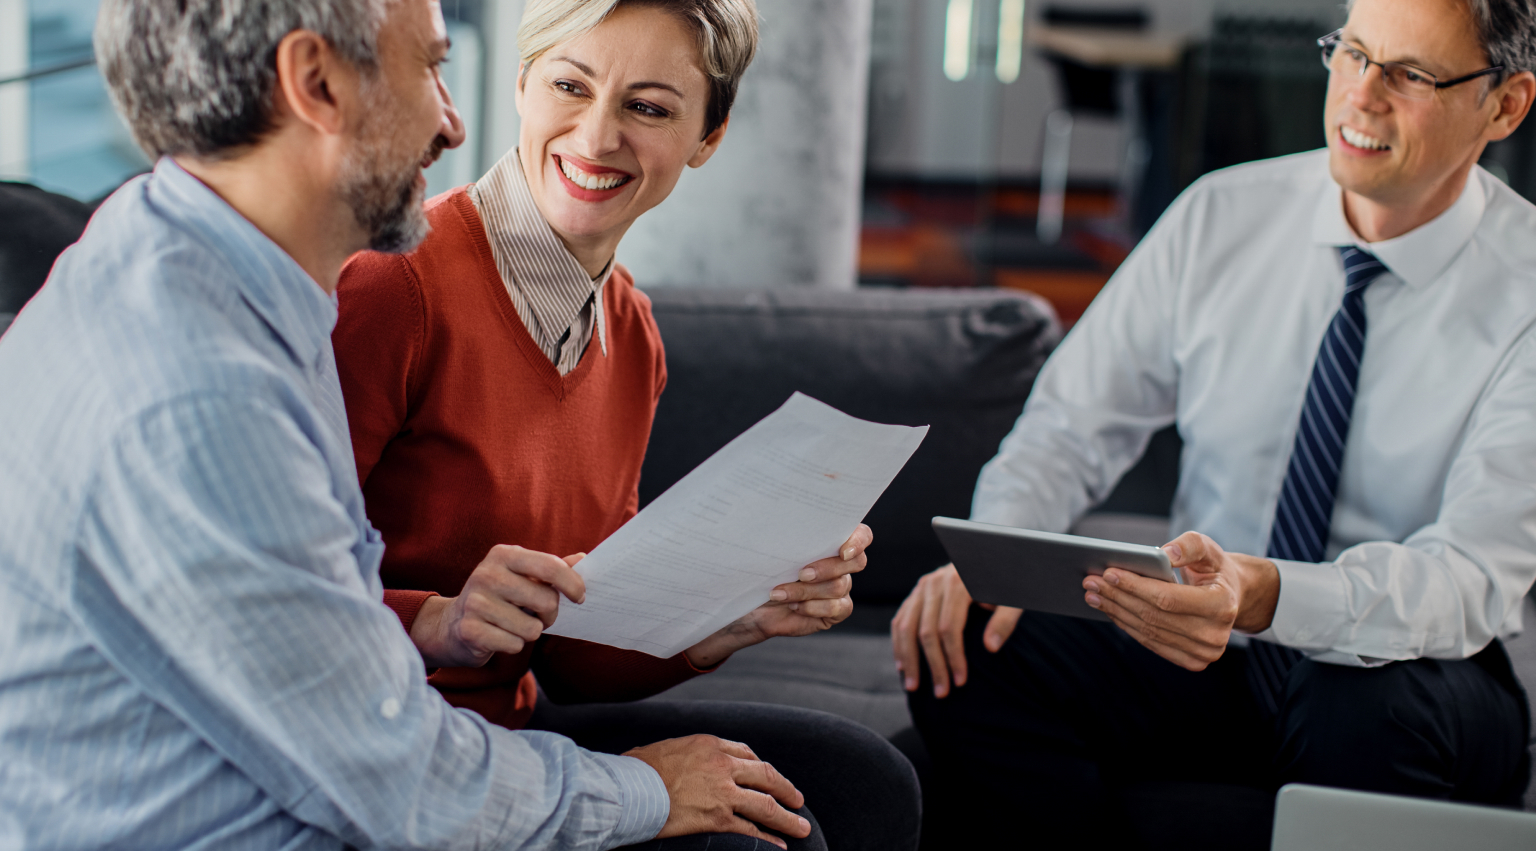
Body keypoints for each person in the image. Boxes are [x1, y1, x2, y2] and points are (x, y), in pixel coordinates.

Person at [0, 0, 836, 848]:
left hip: (371, 771)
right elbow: (397, 775)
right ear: (317, 84)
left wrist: (722, 616)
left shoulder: (209, 286)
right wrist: (647, 791)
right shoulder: (210, 392)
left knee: (845, 787)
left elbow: (404, 651)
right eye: (431, 66)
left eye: (649, 106)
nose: (452, 120)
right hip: (312, 805)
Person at [890, 0, 1536, 845]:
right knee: (972, 641)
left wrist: (1270, 595)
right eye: (1352, 54)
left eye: (1411, 74)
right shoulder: (1219, 216)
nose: (1362, 96)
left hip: (1414, 666)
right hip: (1202, 639)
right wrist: (1002, 551)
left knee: (1362, 691)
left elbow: (1469, 577)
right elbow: (1071, 424)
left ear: (1505, 104)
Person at [329, 2, 919, 849]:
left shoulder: (632, 334)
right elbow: (260, 595)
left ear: (706, 138)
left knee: (866, 782)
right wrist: (442, 616)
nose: (598, 137)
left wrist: (742, 615)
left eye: (648, 107)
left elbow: (574, 655)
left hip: (519, 734)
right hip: (388, 745)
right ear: (523, 84)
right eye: (570, 86)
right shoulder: (394, 286)